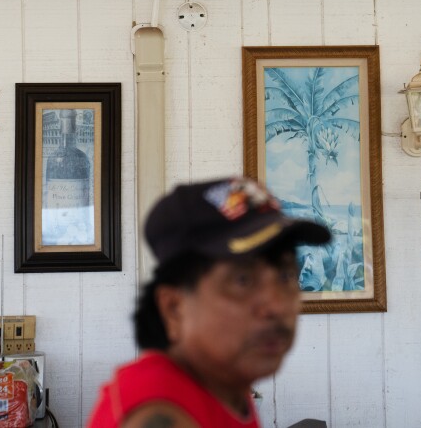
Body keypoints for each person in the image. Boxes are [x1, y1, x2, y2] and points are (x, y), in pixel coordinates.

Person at [87, 176, 331, 428]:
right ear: (174, 308)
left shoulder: (225, 389)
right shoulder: (161, 411)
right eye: (243, 280)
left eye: (286, 275)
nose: (277, 305)